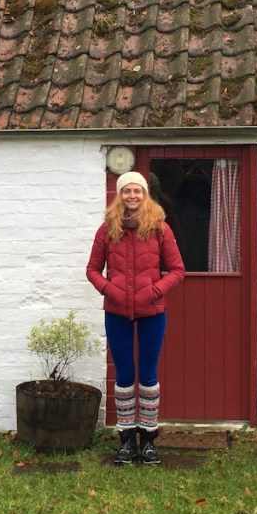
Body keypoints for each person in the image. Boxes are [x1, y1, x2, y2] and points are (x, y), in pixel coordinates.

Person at [87, 171, 185, 465]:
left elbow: (178, 270)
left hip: (152, 312)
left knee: (148, 375)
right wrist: (109, 289)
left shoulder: (160, 228)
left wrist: (155, 290)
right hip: (116, 312)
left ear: (145, 194)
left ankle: (149, 440)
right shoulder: (107, 229)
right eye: (127, 191)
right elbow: (92, 269)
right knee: (125, 375)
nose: (132, 196)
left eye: (137, 191)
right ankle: (127, 440)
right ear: (120, 195)